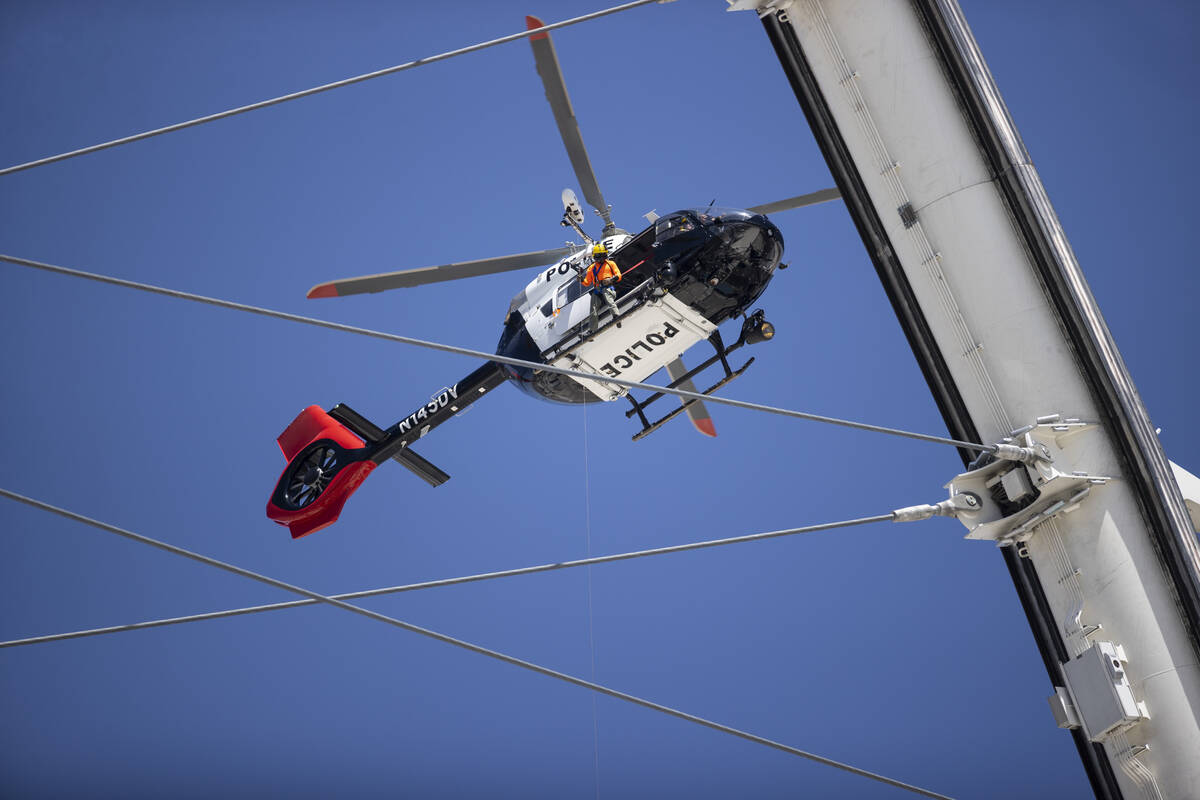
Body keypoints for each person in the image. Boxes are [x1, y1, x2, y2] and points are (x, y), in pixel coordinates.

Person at [581, 243, 622, 332]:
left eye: (603, 255)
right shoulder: (592, 268)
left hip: (609, 289)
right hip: (597, 291)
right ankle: (592, 329)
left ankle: (616, 316)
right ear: (595, 257)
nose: (601, 258)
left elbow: (618, 275)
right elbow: (587, 283)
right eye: (599, 256)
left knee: (608, 297)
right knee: (593, 309)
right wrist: (581, 279)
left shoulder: (610, 263)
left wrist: (611, 280)